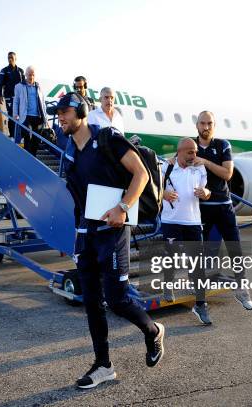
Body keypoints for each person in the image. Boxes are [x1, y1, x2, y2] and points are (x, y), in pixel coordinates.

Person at [49, 92, 165, 389]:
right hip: (85, 236)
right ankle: (103, 365)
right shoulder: (69, 151)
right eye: (58, 112)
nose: (59, 117)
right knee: (91, 303)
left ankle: (152, 331)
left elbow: (140, 173)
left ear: (80, 111)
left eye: (64, 111)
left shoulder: (107, 138)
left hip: (113, 233)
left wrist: (123, 207)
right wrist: (76, 234)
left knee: (117, 299)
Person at [194, 111, 252, 311]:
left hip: (223, 205)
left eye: (209, 123)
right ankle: (200, 300)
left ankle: (242, 291)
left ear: (214, 125)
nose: (206, 127)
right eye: (202, 123)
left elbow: (227, 174)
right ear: (197, 125)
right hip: (200, 208)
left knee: (234, 247)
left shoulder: (222, 145)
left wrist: (206, 162)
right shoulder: (190, 145)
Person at [160, 138, 212, 324]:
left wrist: (206, 193)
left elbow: (207, 191)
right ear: (179, 151)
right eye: (190, 152)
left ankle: (201, 304)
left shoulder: (199, 167)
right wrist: (164, 194)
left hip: (193, 221)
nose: (194, 156)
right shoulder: (166, 167)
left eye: (196, 151)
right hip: (171, 221)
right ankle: (168, 285)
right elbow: (153, 189)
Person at [13, 66, 49, 156]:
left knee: (36, 140)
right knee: (28, 136)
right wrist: (15, 114)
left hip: (38, 117)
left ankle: (33, 158)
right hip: (26, 116)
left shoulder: (38, 87)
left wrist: (46, 118)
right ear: (25, 75)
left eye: (33, 75)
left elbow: (43, 103)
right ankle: (27, 158)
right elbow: (16, 101)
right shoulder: (19, 86)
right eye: (29, 75)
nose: (31, 77)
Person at [0, 52, 25, 138]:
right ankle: (12, 135)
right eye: (8, 58)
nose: (10, 59)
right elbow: (0, 84)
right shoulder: (4, 70)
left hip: (19, 97)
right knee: (12, 115)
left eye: (12, 58)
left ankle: (20, 135)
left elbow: (24, 84)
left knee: (20, 115)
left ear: (15, 59)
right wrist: (0, 95)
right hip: (9, 96)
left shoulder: (20, 71)